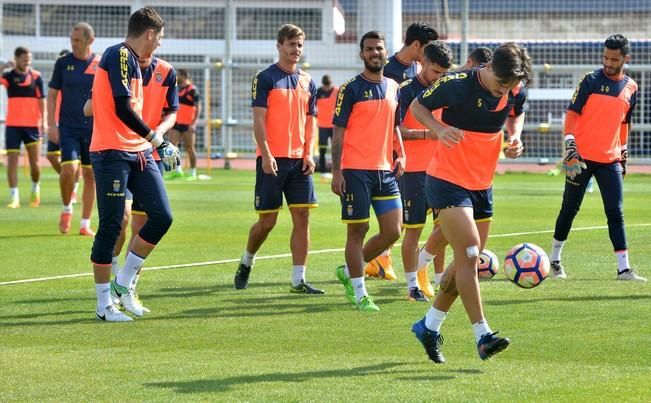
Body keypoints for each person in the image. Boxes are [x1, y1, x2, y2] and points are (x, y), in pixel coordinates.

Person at [409, 42, 531, 362]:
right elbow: (417, 107)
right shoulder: (457, 84)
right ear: (490, 68)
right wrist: (439, 128)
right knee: (470, 251)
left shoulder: (514, 88)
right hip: (447, 181)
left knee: (467, 264)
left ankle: (429, 325)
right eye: (502, 83)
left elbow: (514, 115)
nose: (505, 90)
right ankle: (483, 335)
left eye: (511, 86)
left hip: (482, 185)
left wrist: (514, 138)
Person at [90, 7, 180, 322]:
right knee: (112, 226)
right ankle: (103, 305)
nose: (159, 44)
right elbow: (122, 108)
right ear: (150, 34)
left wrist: (151, 142)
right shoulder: (119, 55)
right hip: (112, 152)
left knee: (162, 217)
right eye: (160, 37)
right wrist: (159, 141)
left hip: (138, 151)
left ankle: (123, 283)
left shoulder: (133, 62)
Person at [233, 24, 322, 295]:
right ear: (280, 46)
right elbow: (258, 120)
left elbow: (311, 123)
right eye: (292, 44)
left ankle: (298, 279)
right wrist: (266, 154)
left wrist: (309, 152)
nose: (296, 50)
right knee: (267, 222)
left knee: (302, 217)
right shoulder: (265, 78)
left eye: (300, 45)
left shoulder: (309, 81)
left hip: (300, 162)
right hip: (272, 160)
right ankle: (247, 261)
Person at [549, 34, 645, 282]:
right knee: (569, 209)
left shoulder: (631, 87)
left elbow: (625, 123)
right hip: (579, 158)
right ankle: (555, 261)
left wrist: (623, 153)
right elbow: (572, 114)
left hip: (611, 160)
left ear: (626, 58)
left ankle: (624, 269)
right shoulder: (590, 80)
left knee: (616, 212)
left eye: (614, 59)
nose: (608, 62)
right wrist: (570, 147)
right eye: (605, 57)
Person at [332, 30, 406, 312]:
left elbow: (395, 126)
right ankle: (360, 292)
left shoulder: (393, 87)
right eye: (370, 49)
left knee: (393, 231)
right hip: (355, 171)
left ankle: (350, 269)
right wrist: (337, 172)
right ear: (361, 54)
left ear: (386, 53)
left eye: (379, 48)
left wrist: (402, 153)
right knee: (358, 231)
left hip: (385, 171)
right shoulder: (350, 88)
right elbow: (338, 134)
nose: (375, 53)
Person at [365, 21, 438, 282]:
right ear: (417, 45)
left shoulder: (418, 70)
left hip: (415, 155)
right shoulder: (392, 71)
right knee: (400, 215)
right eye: (428, 47)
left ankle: (381, 261)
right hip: (392, 152)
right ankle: (381, 261)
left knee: (407, 214)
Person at [398, 40, 452, 302]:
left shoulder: (448, 89)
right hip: (414, 171)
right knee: (414, 229)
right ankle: (412, 286)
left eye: (443, 73)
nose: (439, 78)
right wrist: (427, 134)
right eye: (435, 72)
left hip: (443, 170)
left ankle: (441, 279)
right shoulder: (406, 91)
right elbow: (395, 132)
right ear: (423, 63)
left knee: (445, 228)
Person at [47, 24, 100, 236]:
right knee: (69, 170)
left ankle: (85, 224)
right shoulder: (63, 63)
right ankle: (67, 208)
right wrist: (51, 124)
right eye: (72, 39)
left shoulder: (100, 63)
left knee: (90, 175)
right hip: (67, 127)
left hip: (94, 130)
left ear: (90, 40)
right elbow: (51, 94)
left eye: (77, 40)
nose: (73, 43)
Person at [1, 47, 46, 208]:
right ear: (17, 59)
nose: (28, 61)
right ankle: (14, 198)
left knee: (35, 163)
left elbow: (42, 100)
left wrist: (45, 121)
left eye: (29, 59)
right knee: (12, 161)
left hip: (33, 126)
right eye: (25, 59)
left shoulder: (36, 76)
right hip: (12, 125)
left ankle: (35, 188)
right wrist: (4, 66)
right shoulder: (9, 76)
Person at [167, 69, 200, 180]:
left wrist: (194, 123)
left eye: (178, 75)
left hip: (188, 124)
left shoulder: (192, 90)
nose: (176, 77)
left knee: (189, 148)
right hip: (176, 123)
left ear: (184, 76)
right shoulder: (176, 88)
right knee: (173, 146)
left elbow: (198, 107)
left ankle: (192, 173)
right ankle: (178, 170)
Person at [315, 74, 338, 175]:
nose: (327, 88)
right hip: (322, 125)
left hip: (334, 125)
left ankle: (336, 169)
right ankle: (323, 170)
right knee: (322, 148)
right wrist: (316, 115)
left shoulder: (337, 92)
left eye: (328, 87)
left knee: (336, 148)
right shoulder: (318, 92)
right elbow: (312, 106)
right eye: (325, 87)